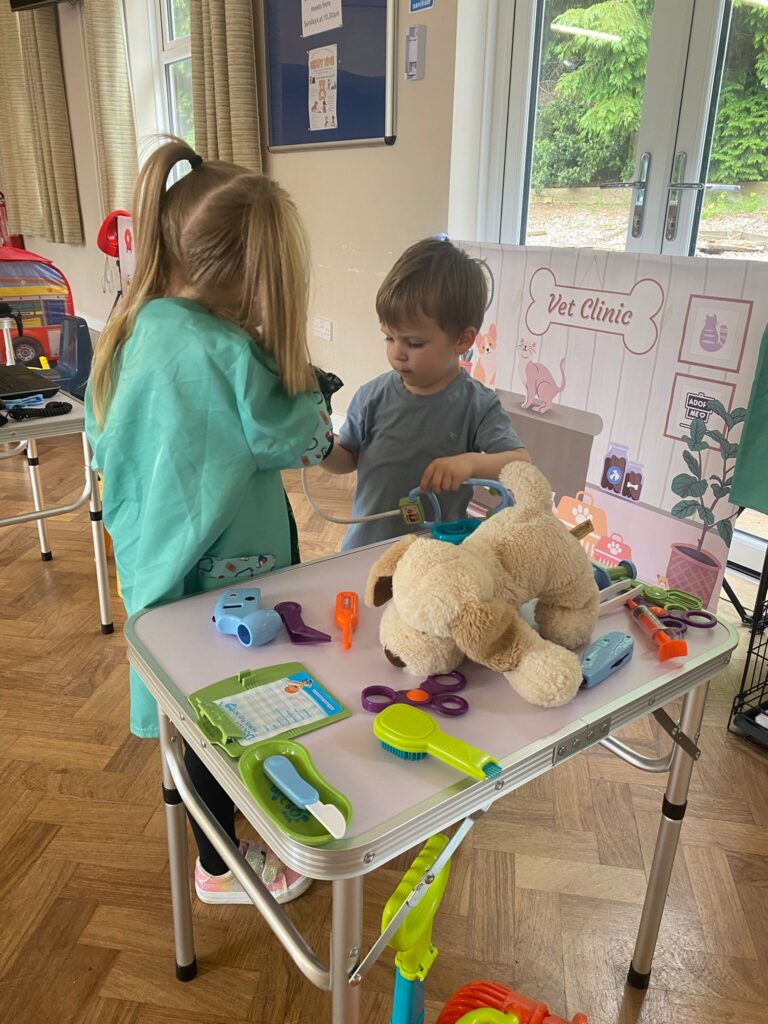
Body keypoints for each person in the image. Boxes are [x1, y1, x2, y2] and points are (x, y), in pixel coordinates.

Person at [86, 137, 334, 905]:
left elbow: (106, 443)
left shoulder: (135, 328)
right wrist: (314, 391)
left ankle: (223, 842)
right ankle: (220, 867)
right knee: (222, 715)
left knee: (191, 713)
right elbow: (305, 440)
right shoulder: (227, 352)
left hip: (158, 570)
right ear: (247, 275)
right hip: (226, 575)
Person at [320, 237, 530, 549]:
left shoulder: (478, 405)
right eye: (389, 338)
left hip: (438, 559)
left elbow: (521, 465)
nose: (397, 353)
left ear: (462, 340)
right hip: (366, 551)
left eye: (414, 343)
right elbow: (346, 459)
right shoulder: (370, 397)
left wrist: (470, 463)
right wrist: (316, 446)